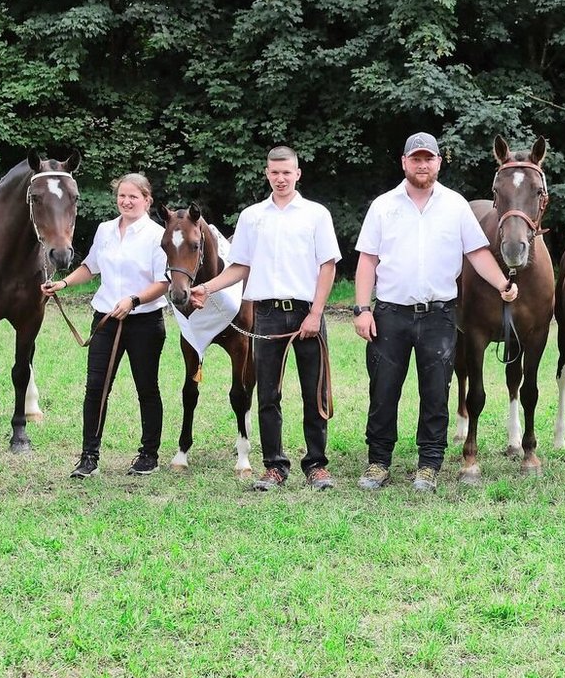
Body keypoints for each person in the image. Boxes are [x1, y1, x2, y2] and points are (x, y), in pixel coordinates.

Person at [352, 132, 518, 493]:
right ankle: (378, 462)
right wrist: (363, 309)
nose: (422, 165)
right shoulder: (383, 205)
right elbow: (367, 259)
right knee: (383, 391)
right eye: (416, 159)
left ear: (438, 163)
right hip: (389, 315)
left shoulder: (455, 205)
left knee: (436, 392)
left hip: (439, 315)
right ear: (404, 163)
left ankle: (429, 464)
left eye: (429, 159)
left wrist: (502, 284)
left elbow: (477, 253)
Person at [189, 146, 341, 492]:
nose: (281, 178)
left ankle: (316, 465)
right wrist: (207, 288)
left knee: (314, 392)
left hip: (307, 312)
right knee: (268, 393)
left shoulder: (316, 214)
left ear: (298, 173)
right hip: (268, 314)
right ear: (267, 174)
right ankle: (274, 465)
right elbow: (241, 266)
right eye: (275, 172)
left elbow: (328, 266)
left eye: (287, 172)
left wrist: (316, 313)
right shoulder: (252, 216)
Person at [43, 173, 170, 478]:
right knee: (96, 389)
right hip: (105, 319)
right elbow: (91, 266)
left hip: (144, 321)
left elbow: (163, 282)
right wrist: (63, 282)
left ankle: (148, 454)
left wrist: (134, 300)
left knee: (147, 388)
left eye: (133, 197)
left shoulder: (157, 235)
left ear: (147, 200)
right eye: (122, 196)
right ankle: (89, 456)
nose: (126, 201)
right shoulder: (105, 230)